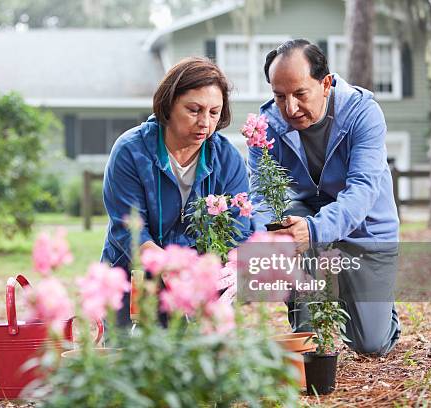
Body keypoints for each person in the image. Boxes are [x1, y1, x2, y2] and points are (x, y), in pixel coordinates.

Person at [249, 39, 400, 356]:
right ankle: (307, 318)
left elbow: (362, 191)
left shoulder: (363, 114)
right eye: (279, 97)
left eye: (300, 94)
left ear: (326, 83)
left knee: (371, 344)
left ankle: (376, 306)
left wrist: (315, 230)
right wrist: (272, 236)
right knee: (310, 339)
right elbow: (262, 193)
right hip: (302, 221)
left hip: (365, 227)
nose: (290, 108)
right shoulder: (265, 127)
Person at [102, 57, 251, 326]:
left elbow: (238, 230)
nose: (205, 122)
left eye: (214, 112)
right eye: (194, 110)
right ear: (168, 105)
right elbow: (131, 231)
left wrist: (227, 271)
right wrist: (173, 269)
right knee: (130, 358)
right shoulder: (131, 152)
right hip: (132, 276)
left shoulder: (227, 158)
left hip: (200, 282)